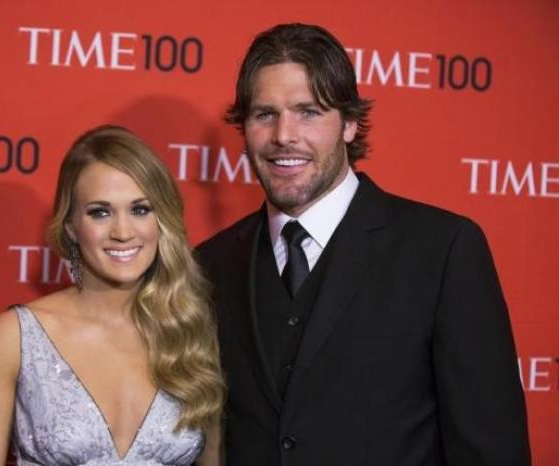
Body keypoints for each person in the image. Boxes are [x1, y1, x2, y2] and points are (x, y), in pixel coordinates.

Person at [197, 23, 530, 465]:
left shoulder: (443, 250)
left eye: (308, 111)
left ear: (350, 124)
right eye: (265, 114)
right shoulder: (211, 263)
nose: (283, 136)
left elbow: (491, 450)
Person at [0, 125, 224, 466]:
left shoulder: (192, 330)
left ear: (162, 220)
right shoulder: (15, 336)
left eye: (140, 209)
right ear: (71, 225)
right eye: (100, 212)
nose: (123, 231)